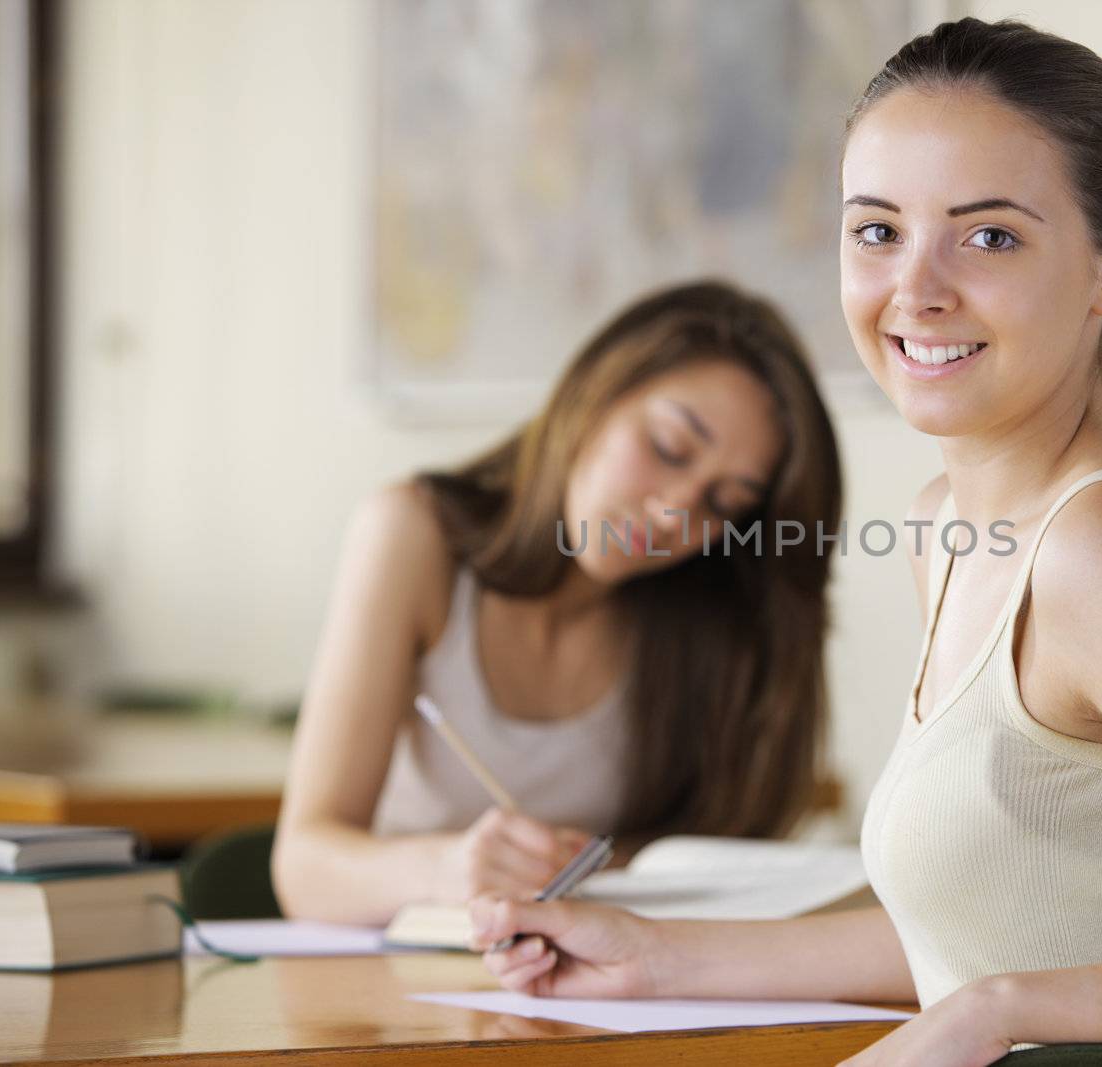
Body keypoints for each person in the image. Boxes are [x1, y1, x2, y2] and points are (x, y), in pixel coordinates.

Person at [468, 18, 1102, 1065]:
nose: (917, 288)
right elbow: (994, 932)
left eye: (988, 235)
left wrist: (994, 1010)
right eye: (876, 231)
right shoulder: (948, 528)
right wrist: (659, 953)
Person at [272, 280, 843, 925]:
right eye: (667, 448)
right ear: (594, 391)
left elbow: (707, 862)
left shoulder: (703, 623)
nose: (671, 510)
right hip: (391, 988)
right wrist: (452, 870)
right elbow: (304, 871)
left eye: (725, 503)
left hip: (592, 994)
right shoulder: (415, 536)